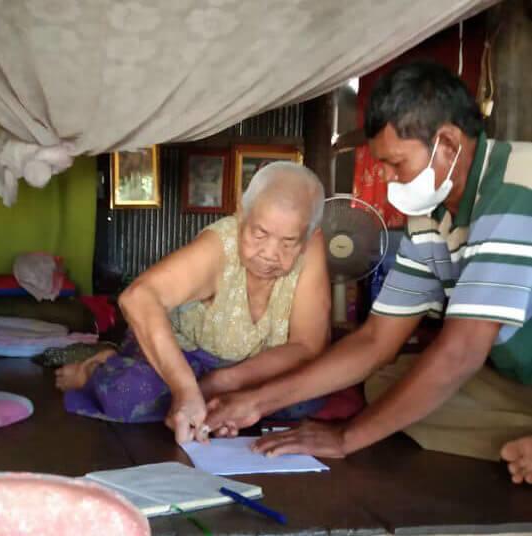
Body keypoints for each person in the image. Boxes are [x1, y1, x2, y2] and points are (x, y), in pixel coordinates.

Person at [205, 61, 532, 485]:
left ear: (447, 143)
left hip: (499, 376)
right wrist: (255, 403)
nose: (390, 180)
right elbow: (378, 339)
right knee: (387, 385)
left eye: (397, 164)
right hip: (518, 385)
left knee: (424, 387)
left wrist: (345, 439)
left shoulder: (514, 188)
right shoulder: (430, 218)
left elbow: (461, 352)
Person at [56, 161, 331, 443]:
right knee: (130, 395)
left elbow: (307, 345)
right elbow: (137, 298)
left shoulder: (310, 244)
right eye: (259, 234)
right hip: (184, 354)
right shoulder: (219, 246)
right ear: (242, 213)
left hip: (251, 367)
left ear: (308, 235)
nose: (270, 253)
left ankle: (216, 403)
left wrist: (224, 383)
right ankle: (96, 368)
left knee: (307, 399)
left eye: (288, 243)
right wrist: (186, 390)